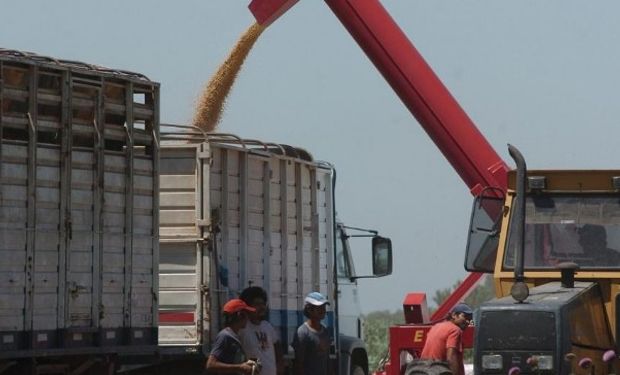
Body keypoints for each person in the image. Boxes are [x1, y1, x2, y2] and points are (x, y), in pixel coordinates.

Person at [416, 303, 473, 375]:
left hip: (423, 370)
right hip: (438, 371)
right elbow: (451, 357)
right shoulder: (455, 330)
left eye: (470, 319)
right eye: (465, 316)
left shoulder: (436, 327)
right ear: (454, 315)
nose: (468, 321)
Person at [239, 286, 285, 375]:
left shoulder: (267, 326)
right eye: (257, 304)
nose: (262, 307)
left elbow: (277, 347)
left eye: (263, 303)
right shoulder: (242, 328)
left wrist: (280, 365)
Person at [206, 299, 259, 375]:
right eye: (246, 314)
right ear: (240, 315)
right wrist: (239, 367)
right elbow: (210, 365)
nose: (248, 318)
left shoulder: (234, 336)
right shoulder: (225, 336)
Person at [292, 292, 333, 375]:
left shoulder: (325, 331)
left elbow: (327, 360)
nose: (323, 310)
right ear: (309, 309)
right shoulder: (303, 333)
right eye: (319, 307)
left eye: (323, 307)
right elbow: (298, 363)